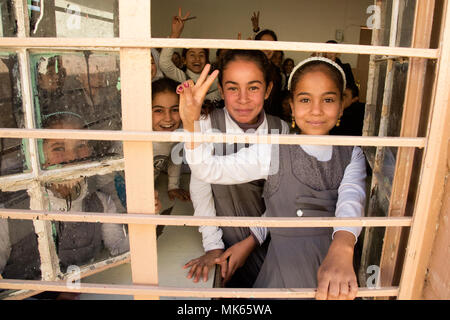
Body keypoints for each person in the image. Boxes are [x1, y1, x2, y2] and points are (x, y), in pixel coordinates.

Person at [178, 57, 366, 300]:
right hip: (283, 266)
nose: (316, 110)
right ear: (292, 106)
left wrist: (342, 247)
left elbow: (351, 200)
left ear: (342, 106)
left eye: (328, 100)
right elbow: (208, 170)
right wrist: (190, 124)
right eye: (305, 100)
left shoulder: (352, 151)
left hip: (338, 267)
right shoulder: (274, 149)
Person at [180, 50, 289, 288]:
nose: (243, 98)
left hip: (268, 240)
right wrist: (213, 245)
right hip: (223, 238)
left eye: (253, 87)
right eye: (232, 88)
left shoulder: (281, 130)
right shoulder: (207, 124)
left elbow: (283, 199)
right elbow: (200, 187)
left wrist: (251, 241)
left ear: (268, 90)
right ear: (220, 90)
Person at [158, 8, 221, 102]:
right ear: (184, 60)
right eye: (192, 55)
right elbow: (164, 63)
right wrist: (175, 34)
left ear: (207, 60)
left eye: (201, 55)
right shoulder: (181, 77)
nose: (197, 59)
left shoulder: (215, 80)